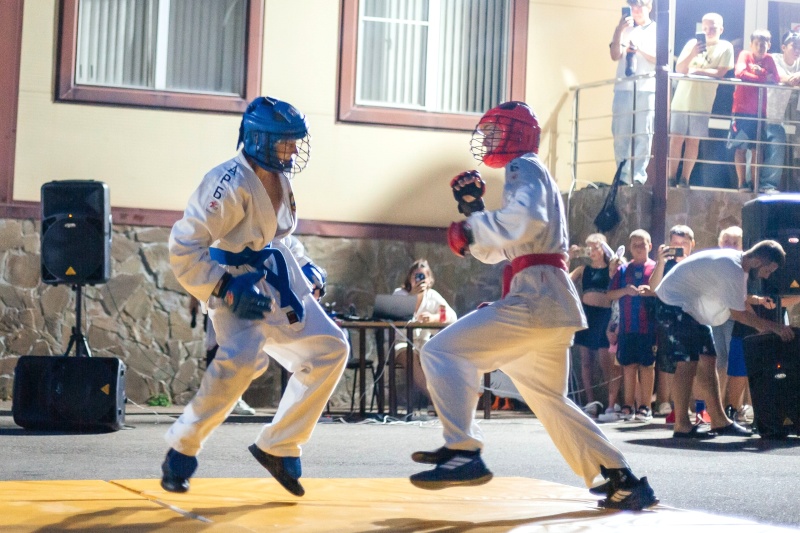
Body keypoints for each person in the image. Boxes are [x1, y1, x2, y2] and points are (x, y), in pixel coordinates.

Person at [409, 101, 657, 511]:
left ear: (516, 133)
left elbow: (525, 220)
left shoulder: (522, 166)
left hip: (538, 297)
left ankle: (462, 452)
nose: (489, 140)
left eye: (496, 132)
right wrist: (474, 212)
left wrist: (471, 227)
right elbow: (508, 245)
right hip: (547, 299)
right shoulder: (530, 174)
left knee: (441, 351)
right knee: (549, 400)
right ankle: (621, 478)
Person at [159, 96, 349, 496]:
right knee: (240, 363)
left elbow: (277, 237)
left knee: (331, 348)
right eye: (285, 142)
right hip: (234, 282)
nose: (293, 150)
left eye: (295, 141)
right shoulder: (225, 183)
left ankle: (279, 445)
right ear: (260, 140)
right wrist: (224, 288)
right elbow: (184, 247)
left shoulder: (279, 177)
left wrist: (305, 264)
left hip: (276, 278)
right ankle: (182, 449)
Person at [654, 240, 795, 439]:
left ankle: (720, 421)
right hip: (672, 303)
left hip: (689, 307)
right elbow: (739, 315)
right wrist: (775, 328)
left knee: (708, 358)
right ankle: (682, 424)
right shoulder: (733, 269)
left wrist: (766, 328)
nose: (767, 276)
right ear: (758, 261)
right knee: (687, 362)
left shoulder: (738, 265)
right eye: (768, 270)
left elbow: (742, 304)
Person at [668, 13, 734, 188]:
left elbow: (721, 72)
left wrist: (698, 72)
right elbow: (680, 68)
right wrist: (692, 54)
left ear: (721, 29)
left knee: (693, 141)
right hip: (681, 100)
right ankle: (670, 178)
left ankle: (685, 179)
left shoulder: (725, 47)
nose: (708, 31)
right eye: (705, 28)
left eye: (712, 28)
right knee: (676, 139)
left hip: (702, 102)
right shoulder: (692, 44)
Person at [568, 234, 622, 418]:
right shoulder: (583, 270)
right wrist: (569, 257)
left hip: (605, 315)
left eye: (595, 247)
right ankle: (591, 402)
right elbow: (565, 280)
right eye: (588, 247)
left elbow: (620, 272)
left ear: (603, 249)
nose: (591, 251)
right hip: (587, 315)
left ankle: (612, 401)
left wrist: (614, 260)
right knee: (586, 360)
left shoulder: (611, 268)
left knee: (605, 360)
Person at [606, 229, 657, 422]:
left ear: (649, 246)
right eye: (634, 245)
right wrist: (625, 291)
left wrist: (650, 291)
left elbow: (663, 292)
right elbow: (610, 294)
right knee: (628, 366)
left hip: (649, 326)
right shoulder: (623, 270)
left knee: (647, 366)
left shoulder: (656, 267)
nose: (638, 248)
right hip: (627, 326)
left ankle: (646, 406)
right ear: (630, 247)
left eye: (642, 244)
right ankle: (628, 406)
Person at [391, 259, 456, 409]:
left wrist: (433, 318)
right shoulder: (400, 294)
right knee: (410, 355)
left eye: (422, 277)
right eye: (416, 276)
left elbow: (451, 316)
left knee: (437, 356)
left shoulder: (433, 296)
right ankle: (438, 401)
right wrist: (412, 297)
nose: (419, 280)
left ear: (429, 279)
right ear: (409, 278)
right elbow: (393, 316)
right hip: (401, 344)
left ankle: (444, 398)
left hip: (423, 345)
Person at [609, 0, 657, 186]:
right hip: (623, 87)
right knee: (620, 133)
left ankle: (637, 177)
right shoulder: (624, 29)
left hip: (646, 88)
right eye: (632, 6)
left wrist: (639, 49)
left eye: (639, 6)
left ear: (649, 7)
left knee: (643, 133)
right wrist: (618, 30)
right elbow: (615, 55)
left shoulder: (657, 30)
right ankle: (621, 176)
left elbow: (660, 58)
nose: (636, 10)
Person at [728, 30, 780, 192]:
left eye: (763, 44)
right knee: (740, 147)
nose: (759, 47)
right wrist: (762, 76)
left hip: (759, 111)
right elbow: (740, 73)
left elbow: (776, 78)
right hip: (741, 109)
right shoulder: (744, 55)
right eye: (756, 44)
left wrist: (759, 71)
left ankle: (755, 184)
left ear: (769, 45)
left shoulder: (769, 59)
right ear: (751, 44)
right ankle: (742, 183)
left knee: (757, 148)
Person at [189, 295, 256, 416]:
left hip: (238, 298)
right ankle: (214, 401)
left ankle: (233, 399)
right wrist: (193, 299)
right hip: (217, 299)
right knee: (218, 348)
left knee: (238, 346)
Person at [762, 31, 800, 193]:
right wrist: (791, 79)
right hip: (761, 112)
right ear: (783, 47)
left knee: (777, 147)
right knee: (754, 150)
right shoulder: (773, 59)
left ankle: (767, 185)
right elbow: (780, 76)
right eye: (794, 46)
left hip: (778, 117)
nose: (797, 49)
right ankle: (750, 183)